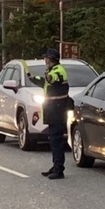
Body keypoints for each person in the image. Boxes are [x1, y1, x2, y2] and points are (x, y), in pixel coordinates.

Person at [27, 48, 70, 180]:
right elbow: (46, 82)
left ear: (51, 59)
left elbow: (53, 79)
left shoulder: (58, 71)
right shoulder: (51, 70)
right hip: (52, 111)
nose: (45, 60)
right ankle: (55, 165)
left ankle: (59, 168)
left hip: (57, 111)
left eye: (46, 58)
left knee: (56, 140)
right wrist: (33, 78)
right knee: (53, 139)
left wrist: (47, 75)